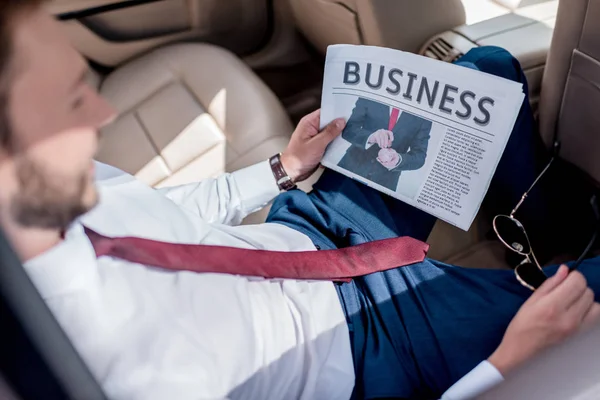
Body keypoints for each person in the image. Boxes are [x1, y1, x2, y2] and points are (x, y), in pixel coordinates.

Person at [1, 2, 599, 400]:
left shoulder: (59, 183)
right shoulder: (68, 372)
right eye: (75, 102)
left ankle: (559, 228)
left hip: (309, 231)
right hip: (372, 347)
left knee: (486, 72)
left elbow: (162, 214)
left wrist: (281, 171)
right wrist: (509, 367)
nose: (102, 115)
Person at [338, 97, 432, 191]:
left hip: (385, 184)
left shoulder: (423, 116)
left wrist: (399, 160)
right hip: (349, 168)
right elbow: (349, 130)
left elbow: (419, 156)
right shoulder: (371, 95)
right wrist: (371, 137)